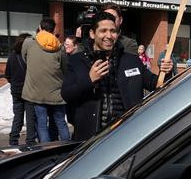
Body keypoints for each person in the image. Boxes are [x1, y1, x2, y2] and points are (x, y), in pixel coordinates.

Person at [61, 12, 174, 141]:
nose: (109, 36)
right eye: (103, 31)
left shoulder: (131, 60)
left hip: (126, 137)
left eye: (113, 31)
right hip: (90, 139)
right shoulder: (77, 61)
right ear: (92, 33)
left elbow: (155, 84)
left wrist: (166, 72)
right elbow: (66, 94)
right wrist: (89, 80)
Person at [21, 17, 70, 143]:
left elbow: (24, 58)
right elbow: (64, 67)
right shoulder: (60, 47)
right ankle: (67, 147)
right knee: (61, 122)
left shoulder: (29, 43)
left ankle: (46, 149)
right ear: (53, 30)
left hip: (37, 92)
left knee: (42, 124)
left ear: (40, 27)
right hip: (56, 92)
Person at [4, 33, 36, 146]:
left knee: (18, 116)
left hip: (16, 90)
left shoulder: (12, 56)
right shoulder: (30, 56)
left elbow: (7, 74)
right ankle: (30, 140)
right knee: (30, 117)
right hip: (29, 90)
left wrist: (14, 83)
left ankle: (13, 139)